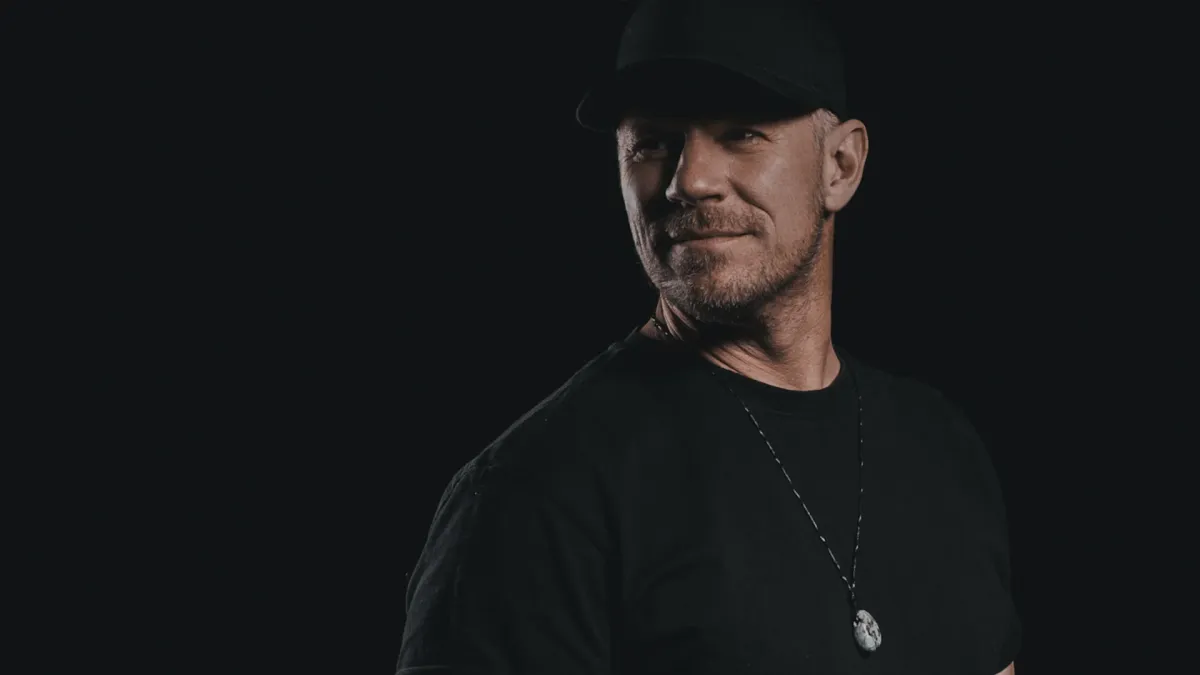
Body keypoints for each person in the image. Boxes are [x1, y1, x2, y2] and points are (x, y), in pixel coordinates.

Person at [396, 0, 1021, 672]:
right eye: (653, 142)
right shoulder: (533, 494)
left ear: (840, 165)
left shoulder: (940, 448)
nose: (689, 180)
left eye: (741, 132)